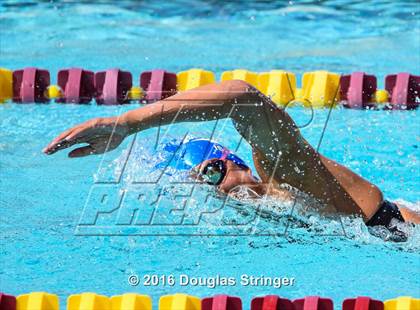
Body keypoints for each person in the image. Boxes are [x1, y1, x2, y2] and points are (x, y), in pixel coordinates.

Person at [43, 80, 419, 240]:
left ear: (229, 160)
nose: (216, 192)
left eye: (209, 175)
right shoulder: (263, 221)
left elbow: (240, 95)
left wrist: (124, 124)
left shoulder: (283, 175)